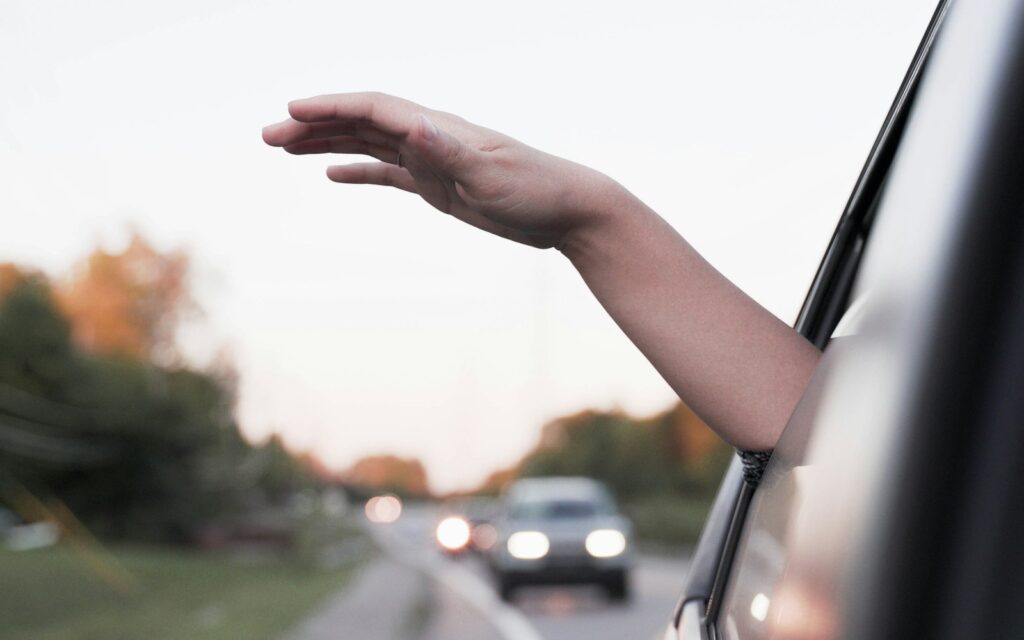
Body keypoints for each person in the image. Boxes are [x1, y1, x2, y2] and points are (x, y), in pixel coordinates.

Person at [262, 92, 820, 454]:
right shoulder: (851, 432)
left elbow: (822, 438)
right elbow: (820, 432)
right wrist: (586, 221)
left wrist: (587, 219)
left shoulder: (856, 437)